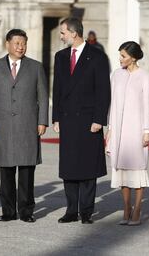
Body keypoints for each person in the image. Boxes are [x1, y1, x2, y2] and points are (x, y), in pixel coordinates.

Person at [0, 29, 49, 223]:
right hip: (4, 125)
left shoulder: (35, 67)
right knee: (6, 171)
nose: (21, 47)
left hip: (28, 125)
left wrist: (42, 121)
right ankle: (8, 211)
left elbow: (43, 97)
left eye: (24, 43)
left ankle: (26, 211)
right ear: (8, 44)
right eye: (17, 43)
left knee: (27, 171)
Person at [52, 18, 111, 224]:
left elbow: (104, 91)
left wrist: (99, 119)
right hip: (68, 120)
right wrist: (56, 117)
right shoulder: (60, 57)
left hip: (88, 121)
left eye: (63, 33)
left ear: (74, 33)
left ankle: (86, 211)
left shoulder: (97, 56)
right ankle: (70, 210)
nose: (61, 36)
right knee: (69, 167)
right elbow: (57, 89)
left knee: (87, 168)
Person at [106, 41, 149, 226]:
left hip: (136, 129)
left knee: (137, 169)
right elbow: (112, 103)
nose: (120, 59)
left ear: (133, 57)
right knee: (122, 170)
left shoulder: (145, 77)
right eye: (120, 55)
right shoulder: (116, 75)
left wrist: (147, 130)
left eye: (123, 56)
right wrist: (110, 128)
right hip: (118, 128)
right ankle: (126, 209)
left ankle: (138, 209)